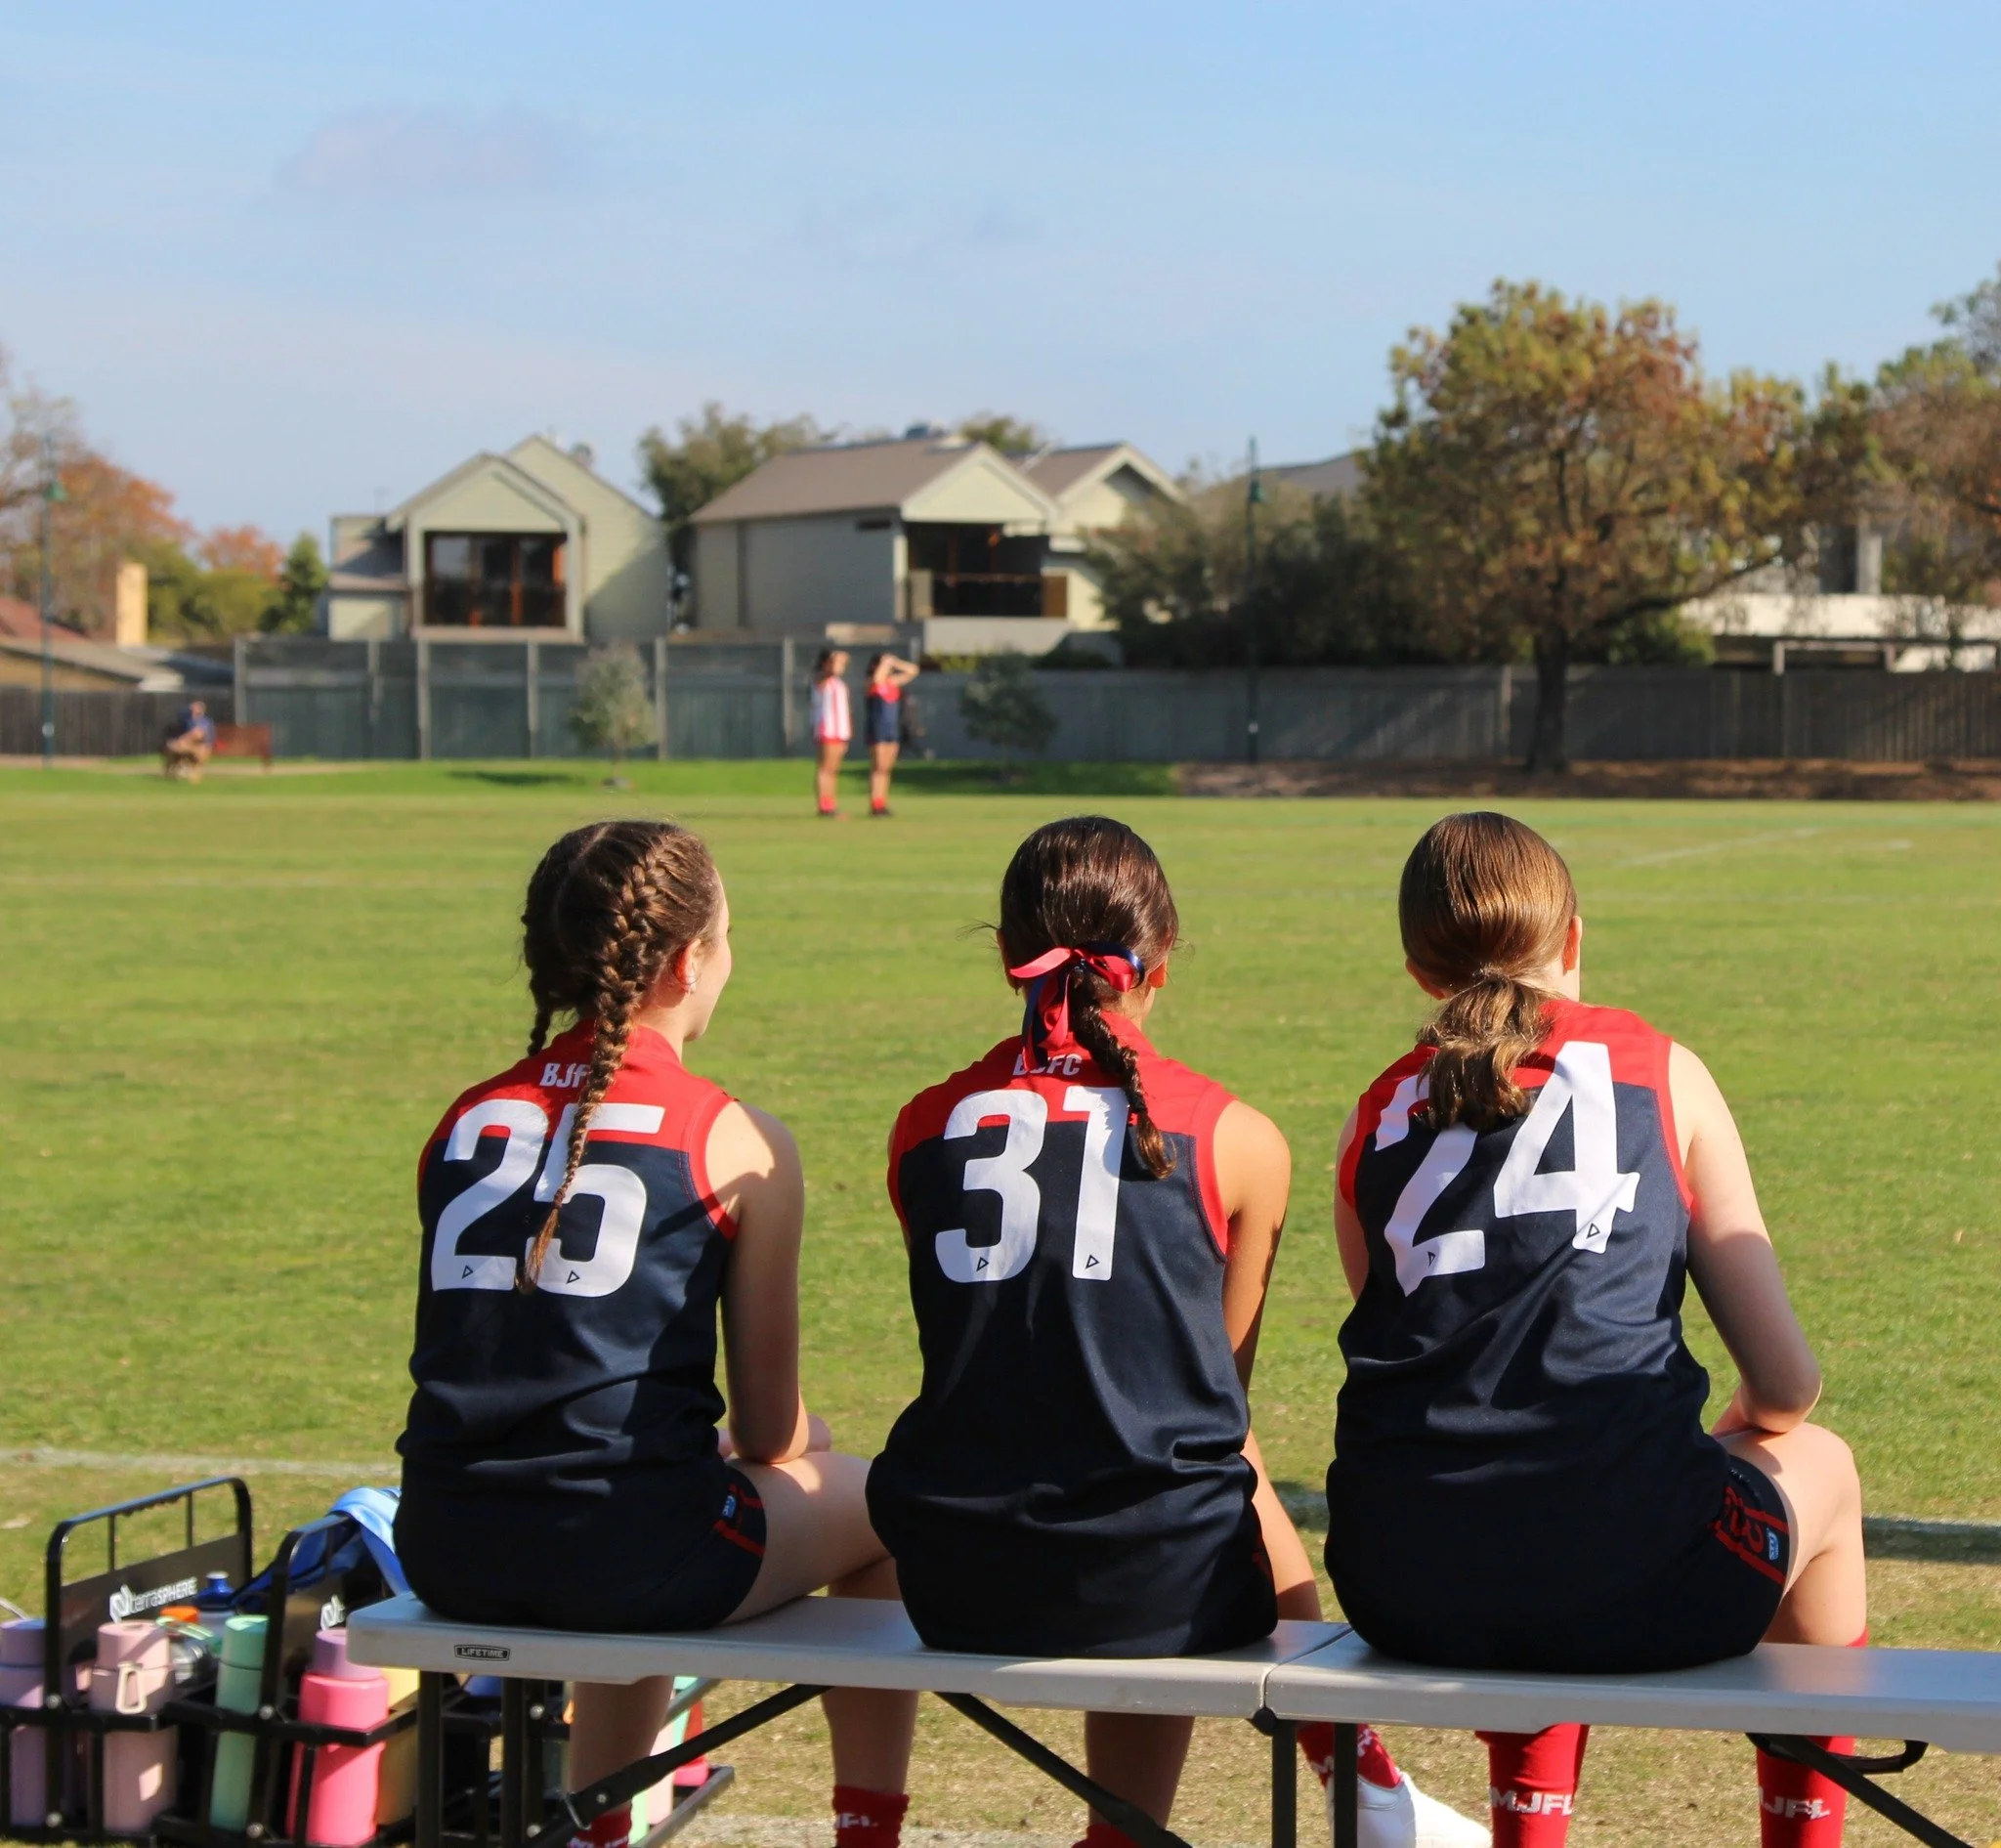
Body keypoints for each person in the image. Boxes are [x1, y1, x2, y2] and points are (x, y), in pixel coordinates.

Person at [870, 816, 1485, 1848]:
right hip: (1159, 1586)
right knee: (1202, 1463)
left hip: (958, 1579)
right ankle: (1355, 1783)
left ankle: (1349, 1791)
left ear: (1007, 954)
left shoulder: (922, 1124)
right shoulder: (1239, 1138)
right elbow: (1213, 1407)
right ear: (1161, 959)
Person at [1326, 813, 1867, 1848]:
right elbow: (1786, 1383)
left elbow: (1433, 1355)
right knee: (1821, 1466)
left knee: (1548, 1505)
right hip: (1623, 1576)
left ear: (1417, 972)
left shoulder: (1370, 1119)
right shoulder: (1658, 1069)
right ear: (1572, 937)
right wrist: (1732, 1435)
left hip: (1397, 1581)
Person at [395, 820, 919, 1848]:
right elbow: (767, 1431)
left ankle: (598, 1826)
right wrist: (802, 1440)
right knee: (879, 1499)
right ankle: (867, 1829)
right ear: (687, 960)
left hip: (445, 1542)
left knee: (652, 1496)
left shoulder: (462, 1118)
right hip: (630, 1552)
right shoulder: (735, 1136)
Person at [862, 653, 920, 816]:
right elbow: (877, 679)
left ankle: (882, 802)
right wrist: (884, 663)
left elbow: (913, 670)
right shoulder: (871, 683)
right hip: (877, 729)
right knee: (878, 767)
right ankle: (875, 803)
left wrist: (896, 662)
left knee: (886, 768)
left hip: (892, 729)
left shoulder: (892, 683)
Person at [811, 648, 852, 817]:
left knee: (833, 770)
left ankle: (830, 803)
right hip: (828, 729)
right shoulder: (822, 680)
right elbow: (828, 674)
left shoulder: (838, 683)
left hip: (840, 730)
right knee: (825, 769)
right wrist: (835, 659)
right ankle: (824, 805)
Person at [161, 699, 216, 781]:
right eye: (191, 709)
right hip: (189, 745)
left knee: (180, 747)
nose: (191, 710)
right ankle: (173, 771)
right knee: (171, 748)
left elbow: (198, 735)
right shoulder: (188, 720)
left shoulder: (203, 721)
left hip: (201, 747)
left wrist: (183, 739)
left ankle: (185, 768)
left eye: (194, 709)